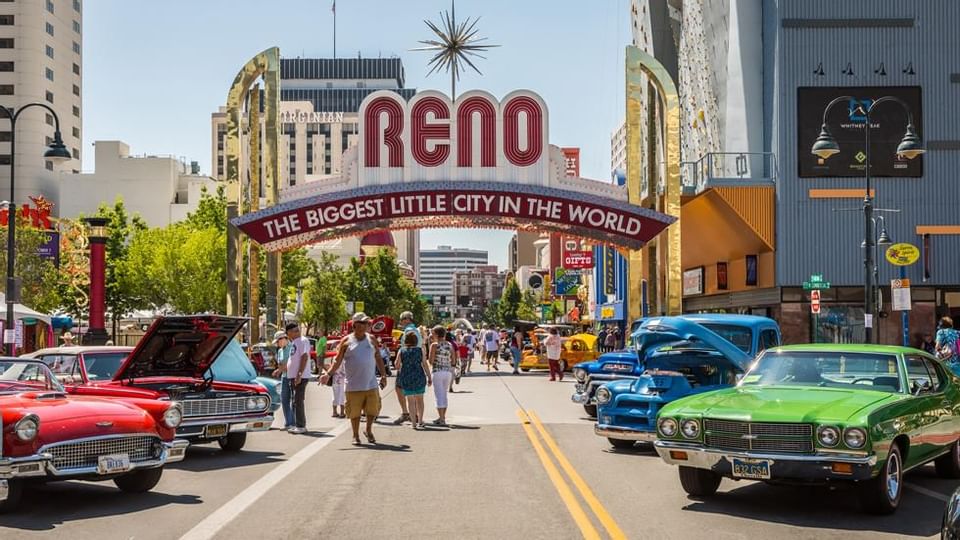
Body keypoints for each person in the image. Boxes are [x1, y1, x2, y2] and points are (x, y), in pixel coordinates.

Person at [321, 313, 387, 445]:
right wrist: (328, 374)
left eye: (367, 323)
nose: (366, 325)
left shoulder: (372, 339)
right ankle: (355, 435)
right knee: (354, 412)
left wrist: (383, 375)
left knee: (373, 410)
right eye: (362, 323)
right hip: (353, 385)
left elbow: (378, 357)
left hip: (371, 383)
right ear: (355, 325)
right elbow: (337, 361)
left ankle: (368, 430)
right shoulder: (346, 341)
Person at [395, 330, 431, 429]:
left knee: (410, 401)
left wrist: (402, 367)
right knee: (420, 400)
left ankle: (413, 424)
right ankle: (420, 421)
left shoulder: (402, 350)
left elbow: (397, 365)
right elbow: (425, 364)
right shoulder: (420, 350)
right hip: (419, 376)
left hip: (406, 377)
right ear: (416, 341)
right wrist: (429, 377)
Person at [392, 311, 421, 425]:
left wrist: (399, 358)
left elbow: (406, 347)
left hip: (407, 363)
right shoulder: (417, 330)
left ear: (408, 319)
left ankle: (406, 413)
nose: (401, 322)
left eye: (402, 319)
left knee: (399, 387)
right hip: (416, 363)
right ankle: (414, 414)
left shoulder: (408, 331)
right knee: (414, 390)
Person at [285, 323, 314, 434]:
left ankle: (301, 425)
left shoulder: (302, 340)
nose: (288, 336)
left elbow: (304, 356)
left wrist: (299, 374)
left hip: (300, 377)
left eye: (288, 333)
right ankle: (297, 424)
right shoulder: (295, 342)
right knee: (295, 401)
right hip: (293, 376)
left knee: (298, 400)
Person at [429, 326, 456, 426]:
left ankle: (441, 418)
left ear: (436, 334)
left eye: (433, 333)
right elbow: (453, 360)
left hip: (437, 371)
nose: (431, 335)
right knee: (444, 394)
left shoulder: (434, 345)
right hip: (448, 372)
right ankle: (442, 417)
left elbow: (431, 361)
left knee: (438, 395)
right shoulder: (449, 344)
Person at [270, 330, 295, 430]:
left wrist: (280, 369)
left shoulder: (292, 348)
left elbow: (291, 364)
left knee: (293, 401)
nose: (277, 344)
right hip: (284, 377)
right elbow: (281, 365)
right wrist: (278, 370)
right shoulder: (280, 351)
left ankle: (292, 422)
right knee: (284, 400)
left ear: (283, 339)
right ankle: (288, 422)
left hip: (292, 377)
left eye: (278, 341)